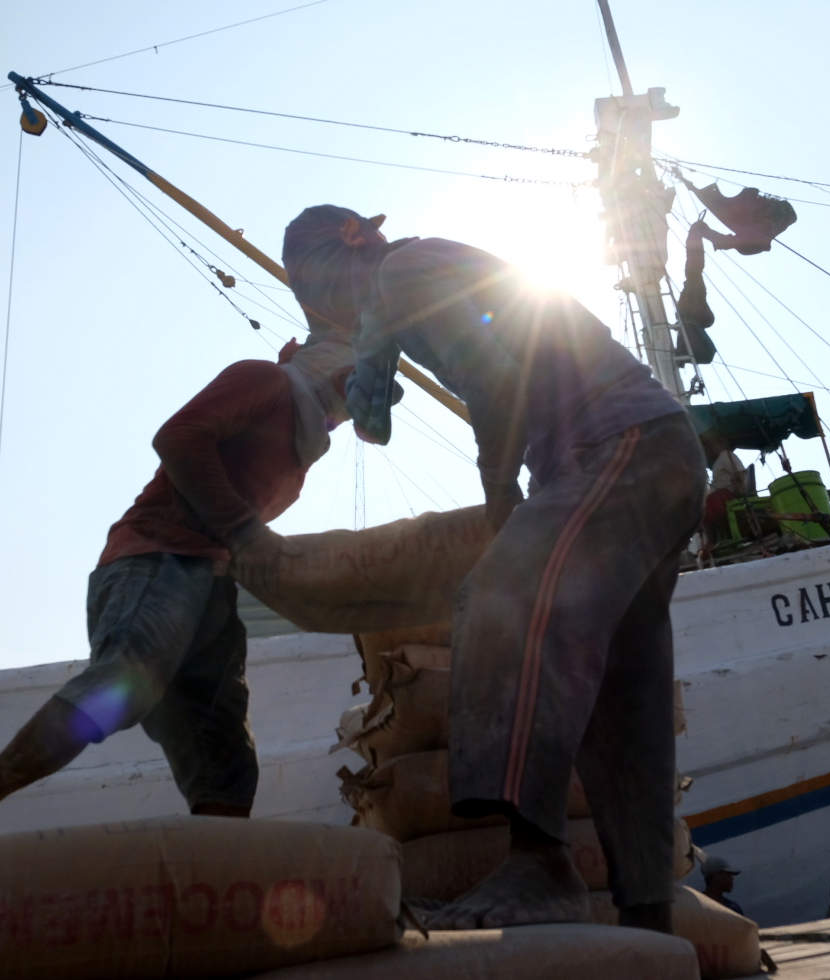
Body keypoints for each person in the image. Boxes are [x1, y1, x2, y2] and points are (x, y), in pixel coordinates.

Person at [282, 205, 708, 933]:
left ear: (349, 247)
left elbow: (496, 378)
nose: (326, 307)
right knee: (617, 688)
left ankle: (538, 863)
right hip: (653, 455)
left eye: (319, 287)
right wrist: (368, 368)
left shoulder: (405, 268)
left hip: (616, 446)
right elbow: (377, 426)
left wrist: (498, 488)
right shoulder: (399, 291)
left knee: (500, 600)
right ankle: (646, 909)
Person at [0, 337, 356, 836]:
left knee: (225, 756)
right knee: (122, 684)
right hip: (156, 558)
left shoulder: (302, 456)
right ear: (339, 366)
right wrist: (245, 531)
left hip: (210, 585)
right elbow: (179, 437)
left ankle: (215, 875)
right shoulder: (265, 380)